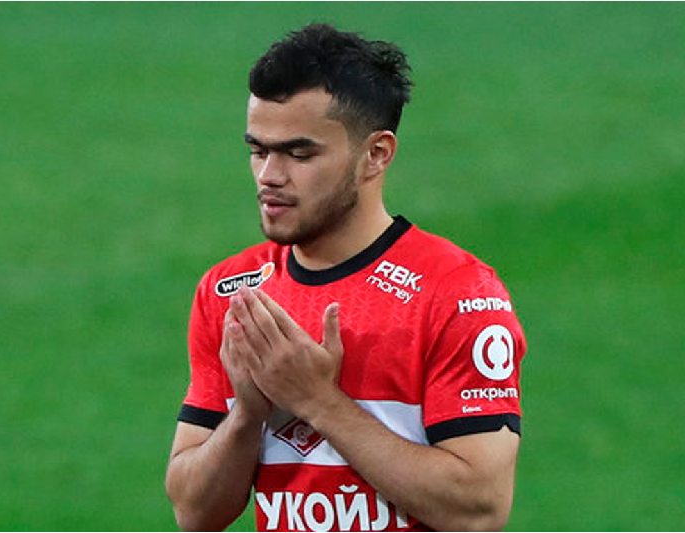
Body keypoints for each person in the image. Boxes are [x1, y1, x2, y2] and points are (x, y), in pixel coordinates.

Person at [165, 23, 526, 532]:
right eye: (258, 150)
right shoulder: (235, 291)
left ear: (376, 154)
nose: (269, 175)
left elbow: (478, 509)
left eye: (299, 154)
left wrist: (318, 401)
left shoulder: (455, 293)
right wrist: (247, 413)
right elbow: (194, 512)